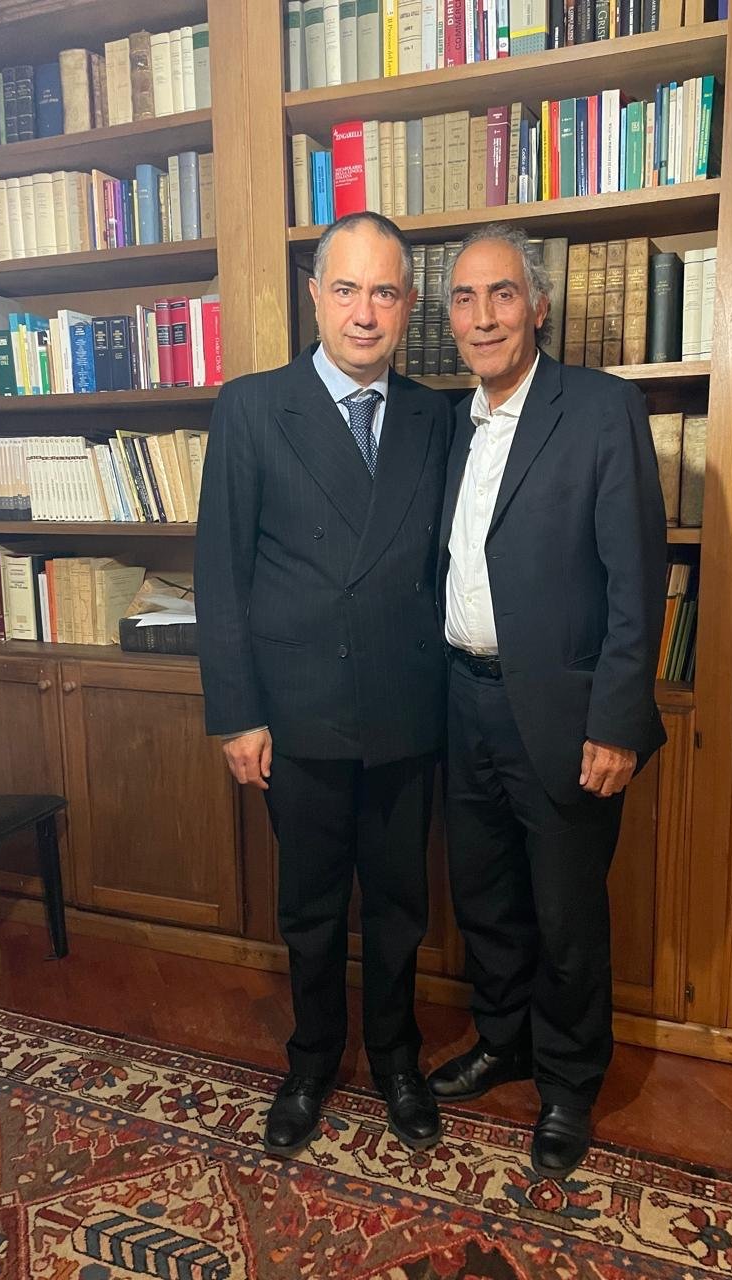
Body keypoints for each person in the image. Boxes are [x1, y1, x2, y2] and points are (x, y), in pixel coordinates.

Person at [195, 212, 450, 1157]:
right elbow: (221, 574)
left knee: (398, 908)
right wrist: (238, 715)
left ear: (408, 305)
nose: (364, 313)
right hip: (295, 714)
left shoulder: (435, 415)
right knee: (309, 910)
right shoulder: (253, 407)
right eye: (346, 290)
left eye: (383, 292)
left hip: (406, 710)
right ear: (314, 296)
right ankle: (310, 1061)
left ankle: (395, 1061)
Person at [426, 223, 667, 1180]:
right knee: (484, 895)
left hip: (566, 715)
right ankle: (504, 1041)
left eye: (502, 295)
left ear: (538, 306)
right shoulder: (449, 424)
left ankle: (568, 1082)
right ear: (450, 318)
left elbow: (636, 580)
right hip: (462, 699)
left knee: (566, 915)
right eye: (465, 299)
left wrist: (616, 723)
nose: (483, 317)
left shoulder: (601, 410)